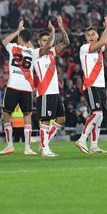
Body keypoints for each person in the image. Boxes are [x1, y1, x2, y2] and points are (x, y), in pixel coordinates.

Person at [0, 20, 53, 155]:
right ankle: (28, 148)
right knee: (27, 116)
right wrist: (23, 33)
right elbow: (30, 44)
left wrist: (18, 30)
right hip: (27, 88)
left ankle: (9, 145)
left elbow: (4, 41)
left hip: (13, 87)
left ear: (19, 38)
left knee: (7, 114)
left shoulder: (13, 48)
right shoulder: (33, 52)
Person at [75, 11, 107, 154]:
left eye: (93, 34)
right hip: (90, 85)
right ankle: (82, 139)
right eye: (88, 35)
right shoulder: (84, 48)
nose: (91, 37)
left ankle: (94, 145)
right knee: (97, 113)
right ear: (85, 38)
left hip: (100, 86)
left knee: (99, 117)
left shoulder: (99, 48)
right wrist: (106, 27)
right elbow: (103, 41)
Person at [33, 15, 69, 157]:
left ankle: (44, 142)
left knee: (61, 119)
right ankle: (44, 149)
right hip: (45, 91)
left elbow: (66, 42)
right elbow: (48, 45)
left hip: (55, 91)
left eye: (47, 39)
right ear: (39, 42)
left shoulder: (52, 52)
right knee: (46, 120)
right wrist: (53, 31)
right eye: (44, 40)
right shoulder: (36, 53)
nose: (46, 42)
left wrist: (61, 28)